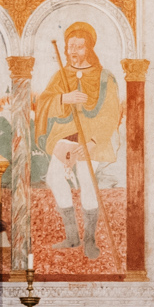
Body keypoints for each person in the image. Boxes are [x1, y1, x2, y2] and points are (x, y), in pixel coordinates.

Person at [33, 21, 123, 253]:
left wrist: (92, 142)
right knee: (54, 177)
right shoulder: (62, 75)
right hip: (66, 134)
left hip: (94, 139)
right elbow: (43, 103)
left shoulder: (105, 78)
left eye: (79, 47)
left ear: (89, 49)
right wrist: (64, 99)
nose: (73, 51)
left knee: (86, 177)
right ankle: (72, 236)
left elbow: (111, 114)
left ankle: (89, 239)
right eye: (70, 46)